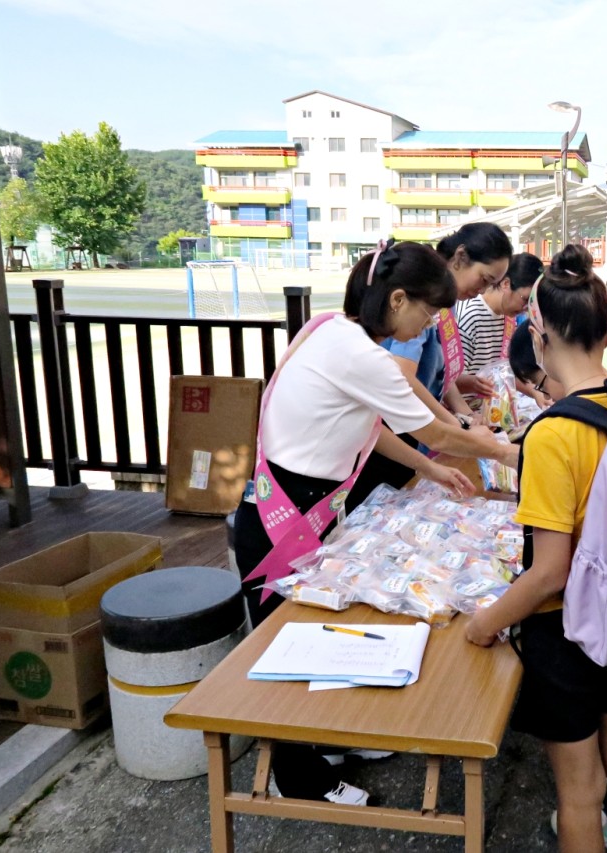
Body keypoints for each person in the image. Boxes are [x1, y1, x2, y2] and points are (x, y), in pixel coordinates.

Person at [232, 240, 520, 803]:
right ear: (396, 299)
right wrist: (511, 455)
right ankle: (300, 778)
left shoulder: (331, 330)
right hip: (282, 518)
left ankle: (335, 736)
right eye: (426, 313)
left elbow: (373, 428)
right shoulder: (361, 355)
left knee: (321, 633)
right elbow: (436, 433)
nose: (427, 325)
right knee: (288, 649)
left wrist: (429, 472)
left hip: (305, 505)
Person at [466, 244, 607, 853]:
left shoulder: (554, 433)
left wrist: (485, 624)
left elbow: (550, 571)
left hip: (570, 631)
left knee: (579, 793)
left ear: (540, 335)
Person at [384, 222, 513, 421]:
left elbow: (441, 376)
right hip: (402, 421)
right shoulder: (426, 295)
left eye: (490, 284)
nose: (482, 290)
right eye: (484, 279)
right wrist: (453, 424)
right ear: (460, 257)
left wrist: (467, 416)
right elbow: (403, 374)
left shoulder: (447, 301)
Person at [455, 252, 541, 384]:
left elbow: (503, 371)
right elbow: (454, 379)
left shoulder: (507, 317)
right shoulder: (471, 317)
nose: (526, 309)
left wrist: (535, 392)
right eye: (525, 300)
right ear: (506, 283)